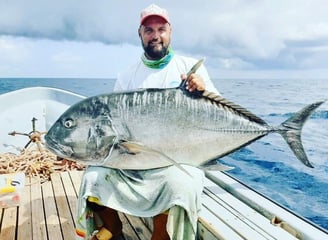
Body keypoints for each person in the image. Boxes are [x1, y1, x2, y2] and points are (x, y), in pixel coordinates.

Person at [75, 4, 219, 240]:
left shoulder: (188, 68)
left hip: (176, 158)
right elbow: (115, 123)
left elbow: (219, 109)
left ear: (170, 31)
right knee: (93, 177)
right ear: (140, 34)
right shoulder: (126, 76)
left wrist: (202, 92)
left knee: (180, 186)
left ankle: (160, 236)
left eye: (161, 29)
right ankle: (114, 227)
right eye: (149, 30)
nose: (156, 36)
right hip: (135, 158)